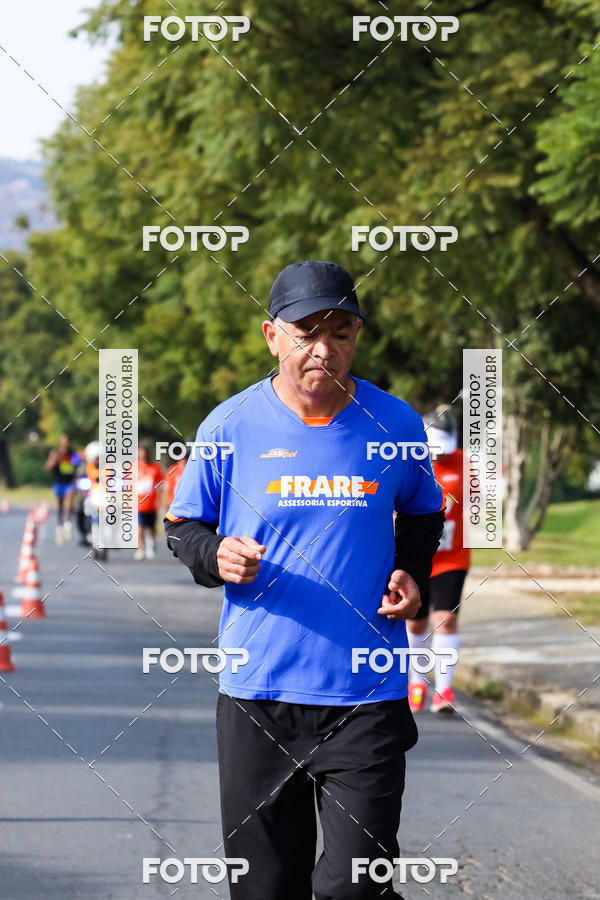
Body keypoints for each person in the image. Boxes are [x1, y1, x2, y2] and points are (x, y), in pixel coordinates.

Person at [165, 260, 445, 900]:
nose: (324, 349)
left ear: (357, 337)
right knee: (265, 889)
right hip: (258, 695)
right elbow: (182, 526)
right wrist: (216, 554)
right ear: (272, 336)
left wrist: (411, 569)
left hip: (365, 693)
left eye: (341, 333)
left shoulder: (396, 424)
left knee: (356, 886)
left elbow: (424, 512)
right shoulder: (230, 426)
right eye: (306, 333)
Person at [406, 405, 470, 714]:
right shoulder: (409, 463)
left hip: (451, 559)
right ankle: (417, 683)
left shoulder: (465, 464)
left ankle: (444, 690)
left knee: (446, 619)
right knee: (415, 623)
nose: (438, 455)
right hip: (416, 557)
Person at [44, 433, 80, 544]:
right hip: (59, 483)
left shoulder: (72, 454)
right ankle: (59, 526)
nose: (65, 444)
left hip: (69, 483)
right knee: (59, 506)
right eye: (63, 442)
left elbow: (78, 465)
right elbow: (47, 468)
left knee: (70, 500)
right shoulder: (56, 454)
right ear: (60, 443)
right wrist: (54, 460)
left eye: (67, 442)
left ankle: (68, 523)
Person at [135, 445, 163, 560]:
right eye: (141, 455)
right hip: (138, 504)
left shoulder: (155, 468)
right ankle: (140, 549)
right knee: (140, 527)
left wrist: (159, 500)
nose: (143, 457)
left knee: (151, 528)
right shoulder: (134, 467)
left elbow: (160, 484)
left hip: (151, 504)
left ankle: (151, 544)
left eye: (145, 455)